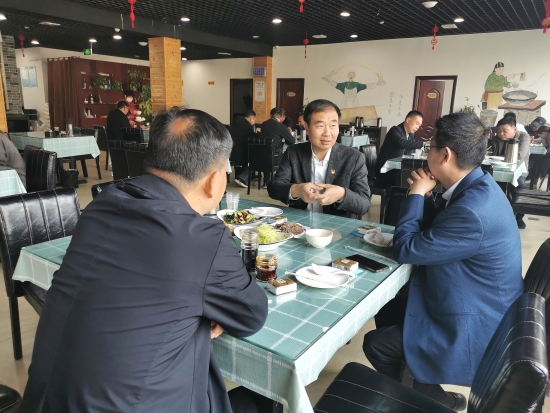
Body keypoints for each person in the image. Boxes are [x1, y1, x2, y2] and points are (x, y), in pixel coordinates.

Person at [20, 108, 269, 413]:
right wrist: (213, 307)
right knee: (260, 402)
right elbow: (251, 315)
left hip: (45, 403)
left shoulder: (101, 205)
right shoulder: (202, 238)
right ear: (215, 179)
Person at [363, 112, 523, 411]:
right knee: (389, 306)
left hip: (476, 319)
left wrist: (415, 195)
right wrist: (425, 196)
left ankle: (423, 402)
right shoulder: (479, 185)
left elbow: (406, 249)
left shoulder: (473, 210)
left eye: (430, 147)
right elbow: (439, 230)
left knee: (376, 343)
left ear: (445, 155)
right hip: (479, 297)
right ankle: (426, 389)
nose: (427, 153)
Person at [267, 99, 371, 219]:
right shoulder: (293, 153)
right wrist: (298, 189)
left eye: (333, 125)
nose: (327, 133)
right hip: (301, 223)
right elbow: (274, 188)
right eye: (320, 126)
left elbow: (364, 204)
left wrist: (342, 194)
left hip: (337, 225)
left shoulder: (353, 157)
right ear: (307, 127)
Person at [489, 116, 530, 228]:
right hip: (499, 169)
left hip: (518, 171)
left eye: (504, 131)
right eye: (498, 131)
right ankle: (502, 214)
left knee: (519, 187)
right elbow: (491, 153)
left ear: (514, 129)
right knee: (494, 187)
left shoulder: (524, 137)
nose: (501, 133)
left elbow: (519, 155)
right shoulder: (496, 138)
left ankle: (519, 217)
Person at [374, 111, 424, 188]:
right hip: (386, 170)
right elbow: (400, 143)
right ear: (408, 120)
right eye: (417, 123)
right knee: (409, 179)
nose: (418, 127)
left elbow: (410, 151)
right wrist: (423, 144)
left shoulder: (411, 135)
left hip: (398, 169)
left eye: (419, 125)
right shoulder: (395, 130)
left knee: (417, 176)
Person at [230, 110, 258, 188]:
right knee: (256, 157)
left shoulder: (234, 123)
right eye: (254, 120)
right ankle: (242, 178)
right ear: (251, 119)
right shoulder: (247, 127)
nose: (254, 122)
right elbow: (253, 138)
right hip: (239, 154)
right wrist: (258, 133)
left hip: (229, 152)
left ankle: (245, 176)